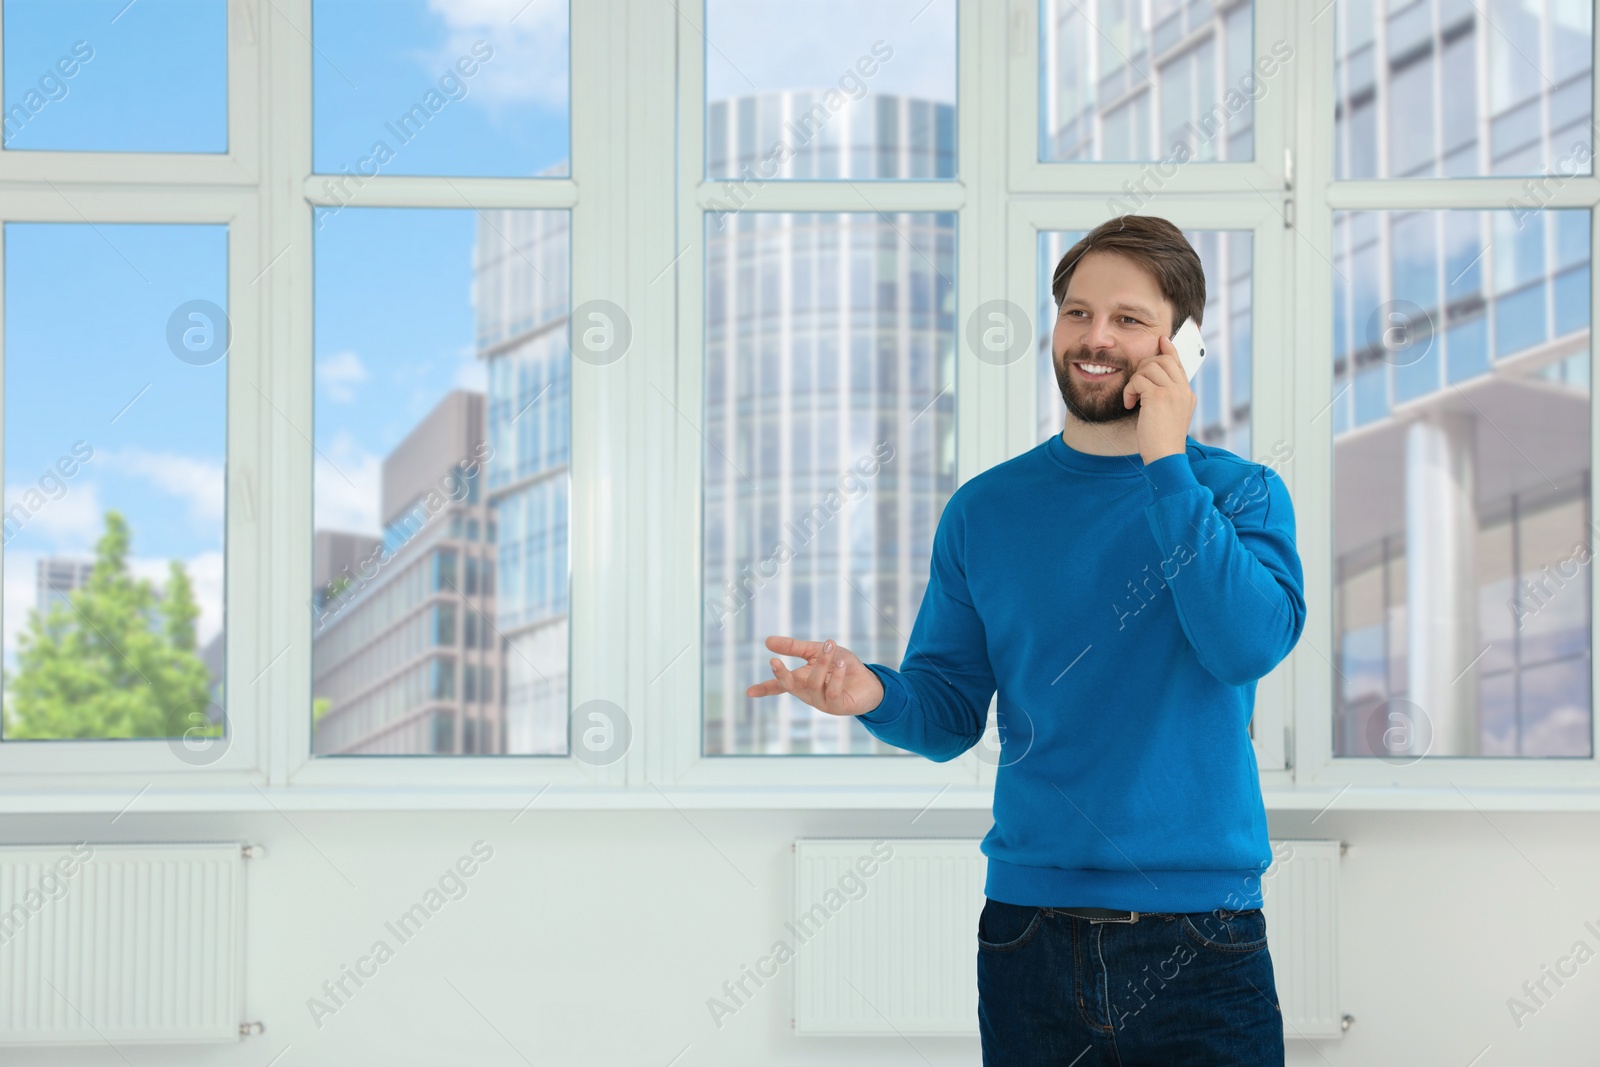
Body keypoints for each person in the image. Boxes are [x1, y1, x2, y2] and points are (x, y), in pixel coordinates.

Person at [745, 214, 1305, 1065]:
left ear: (1182, 343)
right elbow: (947, 713)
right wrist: (873, 695)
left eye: (1127, 318)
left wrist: (1165, 464)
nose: (1094, 338)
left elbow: (1244, 645)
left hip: (1202, 937)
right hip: (1028, 940)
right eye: (1077, 312)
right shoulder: (986, 509)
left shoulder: (1243, 496)